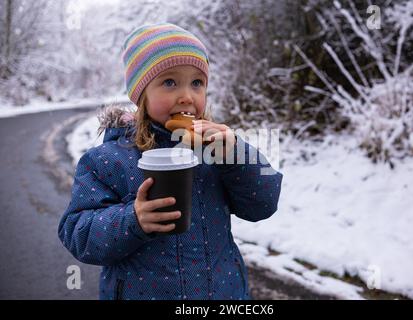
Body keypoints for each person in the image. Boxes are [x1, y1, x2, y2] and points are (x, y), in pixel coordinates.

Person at [58, 23, 283, 300]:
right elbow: (77, 234)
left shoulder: (216, 153)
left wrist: (236, 156)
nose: (187, 96)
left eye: (197, 83)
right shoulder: (106, 161)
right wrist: (133, 219)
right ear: (142, 95)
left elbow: (263, 204)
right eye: (169, 82)